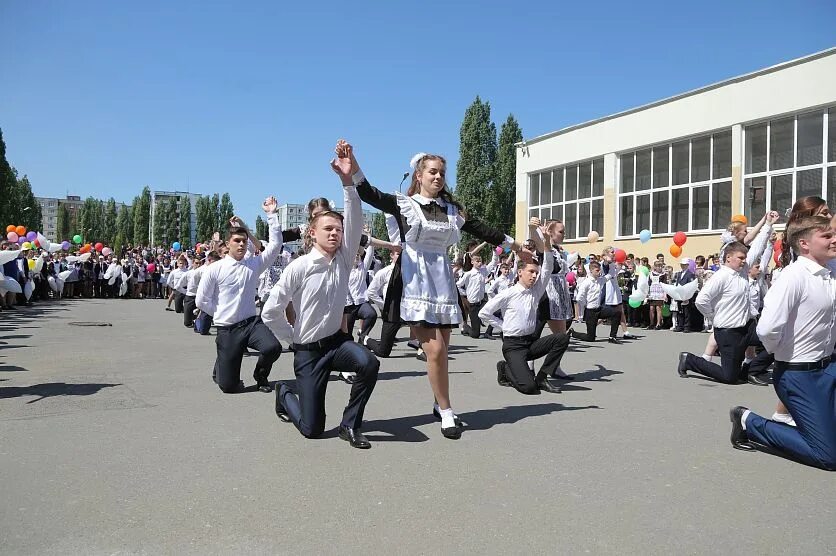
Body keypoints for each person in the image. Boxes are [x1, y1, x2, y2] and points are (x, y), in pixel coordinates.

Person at [349, 141, 523, 439]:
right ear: (419, 175)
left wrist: (513, 243)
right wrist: (352, 166)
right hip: (414, 280)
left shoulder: (452, 210)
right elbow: (370, 194)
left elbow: (482, 229)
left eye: (442, 172)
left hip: (442, 281)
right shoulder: (403, 204)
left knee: (440, 353)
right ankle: (446, 410)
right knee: (436, 350)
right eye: (432, 172)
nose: (438, 177)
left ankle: (437, 401)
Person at [263, 151, 380, 449]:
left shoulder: (342, 259)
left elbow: (353, 215)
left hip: (334, 344)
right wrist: (292, 338)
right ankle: (285, 395)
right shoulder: (299, 267)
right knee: (312, 429)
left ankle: (349, 425)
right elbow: (271, 310)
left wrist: (346, 180)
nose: (335, 234)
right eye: (328, 229)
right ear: (312, 233)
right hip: (307, 353)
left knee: (368, 362)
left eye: (338, 230)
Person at [730, 215, 836, 470]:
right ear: (804, 243)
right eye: (827, 236)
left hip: (828, 367)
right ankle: (748, 422)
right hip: (799, 374)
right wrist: (784, 354)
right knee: (828, 456)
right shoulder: (793, 277)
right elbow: (767, 328)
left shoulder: (829, 274)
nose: (834, 240)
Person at [196, 196, 284, 394]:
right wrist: (220, 314)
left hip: (251, 324)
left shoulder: (254, 265)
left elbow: (276, 245)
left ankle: (261, 375)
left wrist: (271, 214)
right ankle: (223, 362)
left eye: (244, 241)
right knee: (228, 386)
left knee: (273, 348)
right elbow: (202, 300)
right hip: (227, 329)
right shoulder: (215, 269)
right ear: (228, 244)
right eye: (237, 240)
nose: (242, 244)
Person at [480, 228, 568, 394]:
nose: (534, 276)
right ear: (520, 272)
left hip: (530, 343)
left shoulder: (536, 291)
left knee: (562, 338)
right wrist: (503, 325)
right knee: (528, 388)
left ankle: (542, 377)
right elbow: (483, 313)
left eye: (536, 273)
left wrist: (547, 241)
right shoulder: (508, 293)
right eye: (531, 272)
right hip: (513, 346)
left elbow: (548, 267)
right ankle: (505, 368)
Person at [676, 242, 773, 385]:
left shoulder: (742, 271)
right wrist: (713, 316)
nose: (744, 261)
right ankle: (689, 360)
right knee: (729, 377)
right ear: (728, 258)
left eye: (744, 258)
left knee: (776, 342)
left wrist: (768, 225)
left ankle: (750, 371)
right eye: (740, 258)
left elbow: (756, 251)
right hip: (729, 332)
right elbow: (701, 300)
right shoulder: (720, 277)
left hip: (748, 327)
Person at [571, 261, 620, 343]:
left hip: (599, 309)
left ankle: (612, 337)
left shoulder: (600, 280)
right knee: (590, 338)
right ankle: (573, 333)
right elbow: (579, 297)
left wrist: (610, 263)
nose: (599, 272)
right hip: (590, 311)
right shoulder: (586, 282)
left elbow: (610, 274)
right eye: (597, 271)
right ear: (591, 271)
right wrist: (585, 305)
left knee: (617, 313)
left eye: (599, 270)